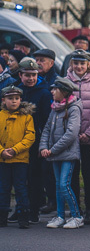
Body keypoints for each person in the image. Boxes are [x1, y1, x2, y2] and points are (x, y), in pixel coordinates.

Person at [66, 50, 90, 225]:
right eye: (76, 63)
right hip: (70, 138)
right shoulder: (65, 82)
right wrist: (72, 133)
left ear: (88, 64)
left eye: (83, 63)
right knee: (71, 175)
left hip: (89, 138)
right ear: (72, 64)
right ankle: (76, 210)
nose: (79, 67)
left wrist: (89, 133)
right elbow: (61, 108)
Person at [40, 77, 83, 229]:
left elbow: (71, 134)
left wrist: (52, 149)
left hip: (68, 154)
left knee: (64, 184)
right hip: (54, 153)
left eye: (55, 89)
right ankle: (60, 216)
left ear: (63, 92)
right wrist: (43, 147)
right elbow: (46, 129)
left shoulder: (74, 108)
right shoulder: (55, 108)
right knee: (58, 185)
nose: (51, 91)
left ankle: (77, 216)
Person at [15, 59, 52, 224]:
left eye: (34, 75)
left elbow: (47, 120)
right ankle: (20, 208)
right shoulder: (17, 92)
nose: (31, 78)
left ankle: (34, 210)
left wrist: (44, 143)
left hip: (37, 141)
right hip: (18, 142)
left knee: (35, 177)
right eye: (27, 75)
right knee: (20, 178)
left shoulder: (44, 93)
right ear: (20, 75)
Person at [0, 85, 35, 229]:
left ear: (21, 99)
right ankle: (2, 216)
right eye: (10, 98)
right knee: (3, 188)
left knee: (20, 188)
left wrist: (15, 150)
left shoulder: (27, 117)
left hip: (20, 159)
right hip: (3, 159)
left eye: (16, 98)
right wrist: (2, 151)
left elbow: (30, 137)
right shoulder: (1, 116)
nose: (13, 101)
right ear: (3, 100)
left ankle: (23, 216)